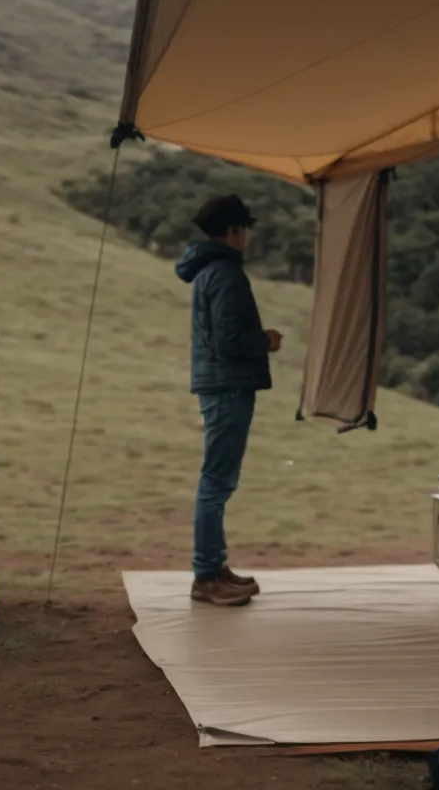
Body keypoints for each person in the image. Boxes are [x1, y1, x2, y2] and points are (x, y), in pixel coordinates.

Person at [174, 193, 282, 606]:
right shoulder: (225, 273)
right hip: (228, 386)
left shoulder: (208, 271)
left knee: (218, 481)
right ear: (236, 231)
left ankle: (215, 568)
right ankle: (206, 575)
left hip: (220, 385)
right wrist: (266, 341)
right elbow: (231, 339)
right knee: (216, 482)